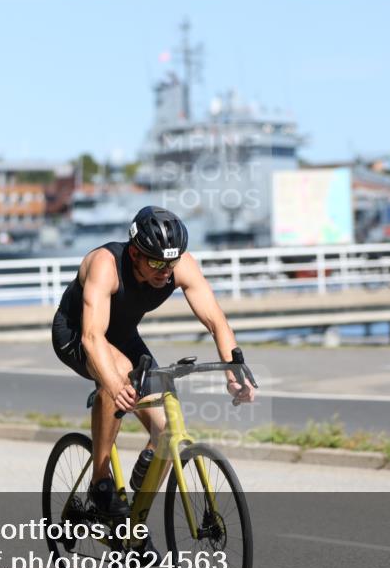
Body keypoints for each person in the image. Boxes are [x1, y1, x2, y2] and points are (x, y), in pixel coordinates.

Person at [52, 205, 256, 521]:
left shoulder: (180, 266)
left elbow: (216, 320)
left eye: (170, 262)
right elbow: (93, 338)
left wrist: (233, 371)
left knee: (166, 431)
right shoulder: (104, 265)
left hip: (123, 335)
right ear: (135, 254)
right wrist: (113, 384)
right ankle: (100, 480)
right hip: (77, 334)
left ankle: (133, 524)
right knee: (118, 376)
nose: (165, 271)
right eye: (157, 262)